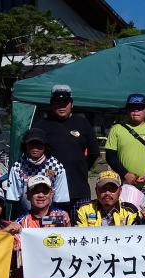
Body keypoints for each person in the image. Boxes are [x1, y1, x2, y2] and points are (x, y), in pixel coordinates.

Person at [73, 170, 142, 278]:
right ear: (96, 190)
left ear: (120, 191)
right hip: (91, 256)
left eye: (112, 189)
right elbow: (79, 240)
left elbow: (136, 241)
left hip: (122, 256)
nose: (107, 193)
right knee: (74, 260)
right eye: (103, 189)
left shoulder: (131, 210)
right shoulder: (83, 209)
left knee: (140, 262)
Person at [10, 175, 74, 278]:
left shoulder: (62, 216)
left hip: (54, 272)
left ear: (51, 194)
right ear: (27, 195)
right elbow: (17, 253)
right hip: (28, 275)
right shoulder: (20, 222)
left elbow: (71, 247)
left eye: (44, 191)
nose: (40, 195)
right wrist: (18, 275)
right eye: (35, 191)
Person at [33, 84, 101, 218]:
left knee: (81, 229)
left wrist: (80, 166)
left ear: (72, 104)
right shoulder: (41, 127)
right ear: (52, 104)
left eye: (65, 102)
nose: (62, 106)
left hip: (78, 190)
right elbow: (32, 155)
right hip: (51, 192)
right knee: (52, 231)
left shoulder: (83, 124)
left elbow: (94, 153)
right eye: (58, 102)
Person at [105, 93, 145, 203]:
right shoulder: (117, 129)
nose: (135, 111)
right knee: (126, 218)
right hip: (125, 184)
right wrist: (125, 174)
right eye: (132, 108)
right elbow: (110, 156)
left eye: (139, 108)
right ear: (127, 110)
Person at [6, 128, 69, 217]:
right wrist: (23, 220)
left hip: (50, 215)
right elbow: (14, 198)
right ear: (25, 146)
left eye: (39, 144)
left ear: (45, 146)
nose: (35, 148)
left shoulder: (57, 167)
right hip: (25, 214)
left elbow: (60, 199)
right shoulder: (17, 167)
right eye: (31, 144)